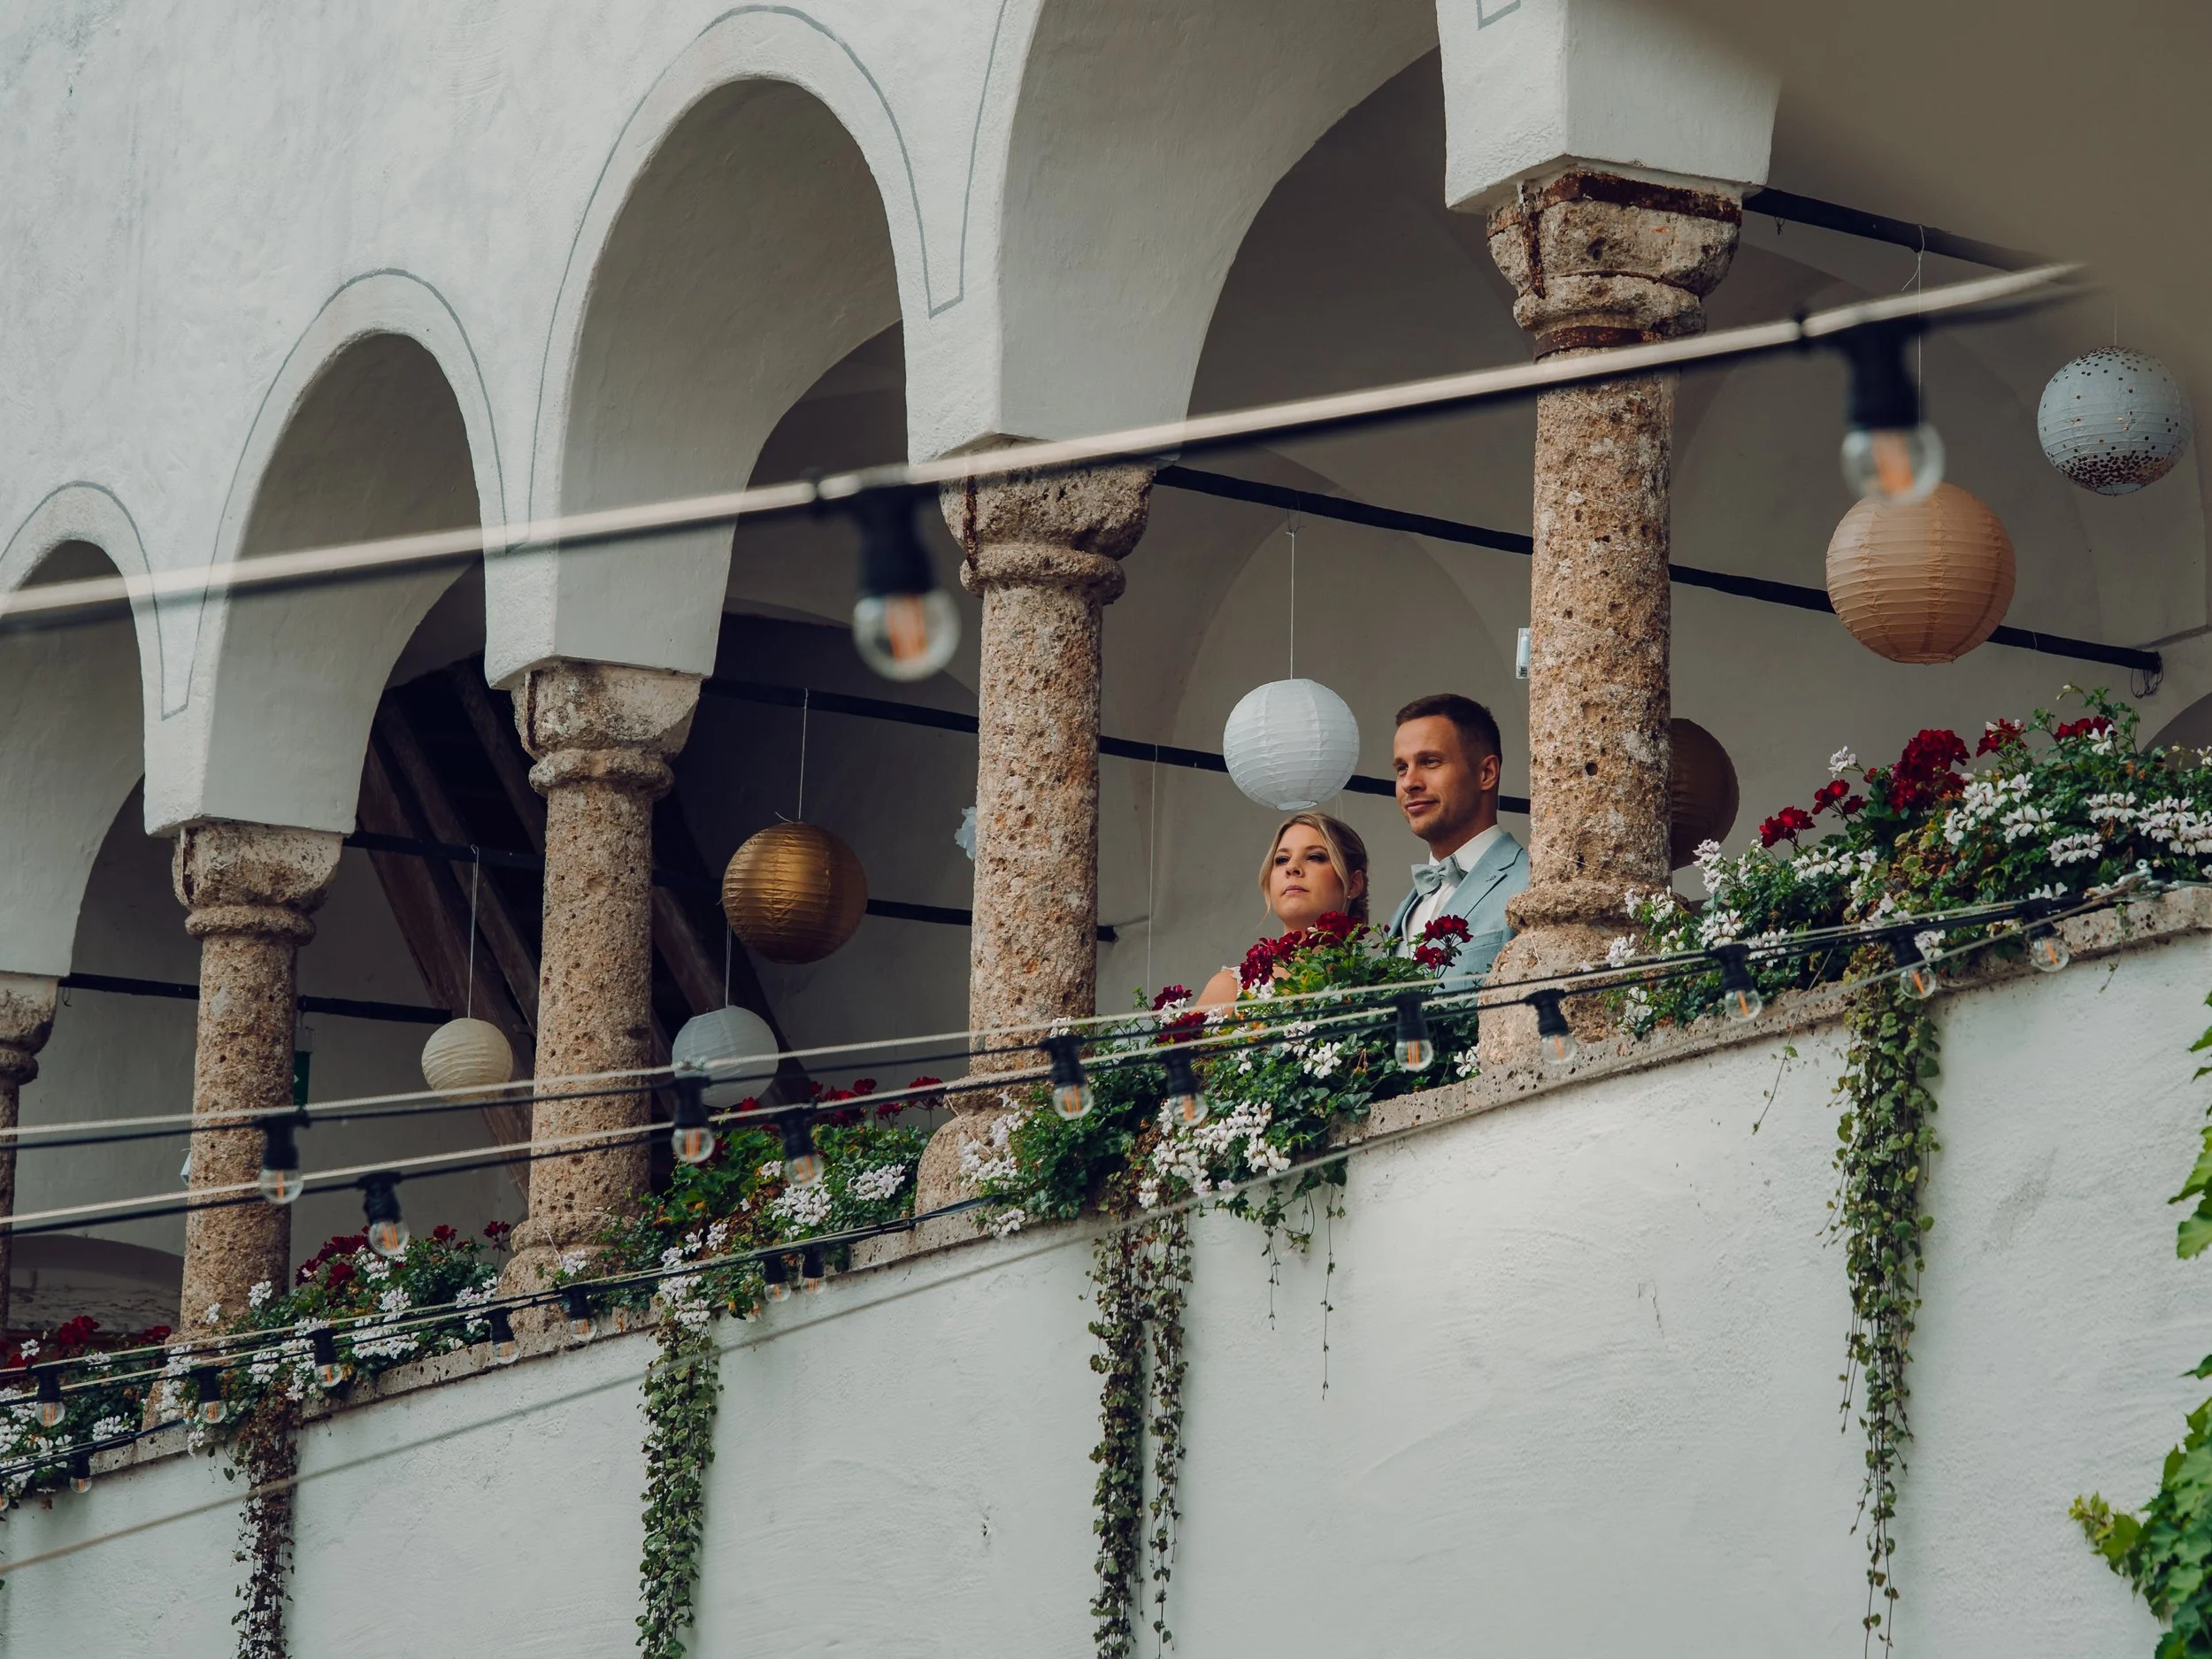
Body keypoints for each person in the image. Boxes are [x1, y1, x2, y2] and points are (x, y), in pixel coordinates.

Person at [1385, 693, 1527, 984]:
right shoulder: (1402, 912)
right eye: (1402, 768)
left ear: (1486, 773)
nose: (1410, 782)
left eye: (1430, 762)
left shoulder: (1530, 884)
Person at [1195, 812, 1369, 1008]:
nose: (1292, 867)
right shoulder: (1229, 991)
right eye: (1281, 860)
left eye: (1314, 857)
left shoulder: (1380, 987)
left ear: (1354, 884)